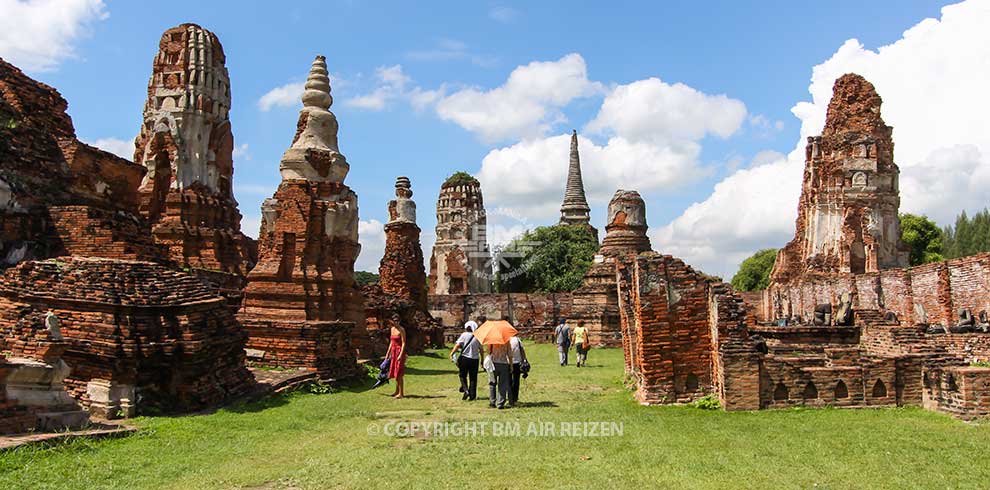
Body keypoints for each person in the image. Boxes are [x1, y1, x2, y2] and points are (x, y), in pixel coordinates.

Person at [450, 319, 481, 400]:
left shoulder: (464, 335)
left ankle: (465, 390)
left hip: (465, 358)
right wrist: (482, 359)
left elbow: (457, 345)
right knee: (473, 377)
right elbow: (481, 350)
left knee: (462, 375)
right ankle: (472, 395)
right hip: (475, 359)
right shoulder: (477, 336)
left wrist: (452, 353)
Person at [486, 340, 512, 409]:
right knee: (503, 384)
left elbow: (488, 352)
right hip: (503, 363)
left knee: (492, 382)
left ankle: (492, 401)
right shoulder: (506, 341)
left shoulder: (491, 340)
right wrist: (511, 365)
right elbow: (510, 354)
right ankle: (500, 403)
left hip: (493, 363)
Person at [386, 322, 407, 398]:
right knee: (395, 372)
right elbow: (391, 342)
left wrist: (401, 355)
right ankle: (397, 391)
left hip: (399, 351)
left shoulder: (401, 329)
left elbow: (404, 343)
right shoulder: (392, 329)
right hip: (393, 352)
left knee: (399, 373)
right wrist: (388, 353)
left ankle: (401, 393)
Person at [508, 334, 528, 406]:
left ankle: (510, 398)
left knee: (508, 382)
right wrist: (524, 360)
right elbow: (522, 350)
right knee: (516, 381)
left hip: (507, 362)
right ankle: (514, 399)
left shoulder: (505, 339)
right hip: (516, 362)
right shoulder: (517, 339)